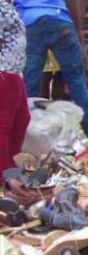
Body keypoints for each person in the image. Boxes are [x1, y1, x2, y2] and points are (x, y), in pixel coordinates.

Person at [15, 0, 88, 139]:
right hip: (60, 22)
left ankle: (30, 139)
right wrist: (78, 31)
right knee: (77, 82)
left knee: (31, 86)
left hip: (30, 25)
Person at [0, 0, 30, 182]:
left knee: (22, 118)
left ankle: (10, 168)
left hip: (13, 71)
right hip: (4, 72)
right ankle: (4, 177)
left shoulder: (6, 5)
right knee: (4, 125)